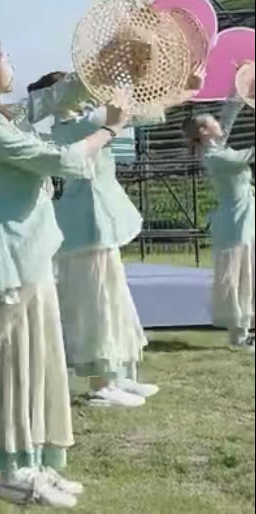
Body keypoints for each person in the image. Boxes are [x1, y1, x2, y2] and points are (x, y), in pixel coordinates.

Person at [0, 34, 129, 507]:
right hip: (12, 261)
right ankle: (15, 473)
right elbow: (58, 158)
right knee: (16, 368)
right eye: (6, 59)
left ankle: (37, 462)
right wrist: (109, 130)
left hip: (34, 254)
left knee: (42, 363)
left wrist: (104, 62)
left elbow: (56, 96)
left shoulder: (2, 114)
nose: (11, 65)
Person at [40, 70, 174, 408]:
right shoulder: (73, 125)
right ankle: (101, 385)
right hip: (87, 223)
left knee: (112, 299)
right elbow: (131, 112)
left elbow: (135, 113)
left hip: (98, 221)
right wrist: (157, 84)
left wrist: (180, 89)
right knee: (96, 304)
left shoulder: (79, 121)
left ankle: (117, 375)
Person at [182, 94, 254, 353]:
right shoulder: (214, 156)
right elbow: (247, 156)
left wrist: (238, 92)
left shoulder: (217, 148)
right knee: (236, 278)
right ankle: (238, 335)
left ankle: (247, 331)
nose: (218, 124)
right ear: (204, 131)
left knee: (249, 274)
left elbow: (227, 118)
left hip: (245, 217)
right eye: (213, 122)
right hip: (234, 223)